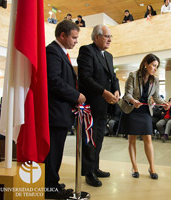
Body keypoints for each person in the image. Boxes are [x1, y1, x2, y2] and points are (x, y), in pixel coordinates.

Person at [44, 20, 86, 199]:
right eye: (74, 37)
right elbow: (54, 80)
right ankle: (50, 188)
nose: (76, 41)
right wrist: (75, 96)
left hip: (61, 112)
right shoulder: (52, 51)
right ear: (63, 35)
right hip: (55, 112)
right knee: (53, 152)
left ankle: (52, 182)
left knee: (57, 151)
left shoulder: (61, 53)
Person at [77, 25, 120, 187]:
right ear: (96, 37)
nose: (109, 39)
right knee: (90, 140)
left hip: (105, 105)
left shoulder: (108, 55)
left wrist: (116, 90)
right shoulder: (87, 51)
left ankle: (95, 167)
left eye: (111, 36)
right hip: (91, 104)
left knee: (99, 138)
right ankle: (88, 173)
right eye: (106, 36)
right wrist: (103, 92)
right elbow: (85, 78)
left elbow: (113, 77)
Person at [119, 53, 169, 180]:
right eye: (153, 65)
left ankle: (152, 167)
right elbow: (127, 94)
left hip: (145, 111)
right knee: (132, 139)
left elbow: (156, 97)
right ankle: (134, 167)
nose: (155, 69)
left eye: (156, 66)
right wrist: (133, 101)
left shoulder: (155, 80)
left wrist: (164, 104)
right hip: (132, 110)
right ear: (146, 64)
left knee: (148, 138)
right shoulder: (133, 75)